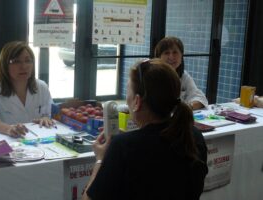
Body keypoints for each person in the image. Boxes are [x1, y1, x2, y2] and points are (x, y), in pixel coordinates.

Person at [82, 59, 208, 200]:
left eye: (127, 91)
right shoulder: (193, 136)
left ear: (137, 101)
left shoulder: (123, 147)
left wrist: (100, 160)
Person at [0, 41, 54, 138]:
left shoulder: (41, 86)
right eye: (16, 61)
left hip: (38, 140)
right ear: (5, 65)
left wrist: (46, 118)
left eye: (28, 60)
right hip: (9, 142)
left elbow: (49, 112)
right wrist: (9, 129)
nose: (23, 66)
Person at [154, 36, 208, 110]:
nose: (171, 57)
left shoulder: (183, 76)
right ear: (158, 57)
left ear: (181, 55)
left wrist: (188, 107)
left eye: (175, 52)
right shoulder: (151, 76)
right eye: (166, 53)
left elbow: (200, 98)